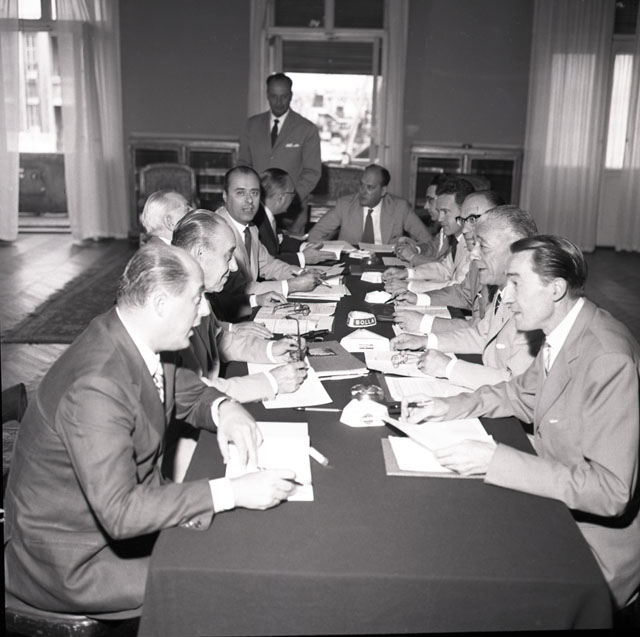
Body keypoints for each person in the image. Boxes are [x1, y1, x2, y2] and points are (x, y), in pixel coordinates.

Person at [3, 243, 298, 619]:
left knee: (240, 541)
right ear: (160, 304)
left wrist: (226, 409)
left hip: (110, 519)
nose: (203, 312)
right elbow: (120, 513)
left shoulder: (135, 334)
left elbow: (190, 393)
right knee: (229, 576)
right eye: (196, 299)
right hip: (73, 562)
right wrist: (233, 491)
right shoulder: (96, 386)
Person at [403, 235, 640, 609]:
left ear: (556, 289)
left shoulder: (607, 358)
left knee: (449, 566)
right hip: (556, 498)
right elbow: (517, 394)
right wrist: (448, 406)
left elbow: (611, 492)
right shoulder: (565, 331)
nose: (506, 296)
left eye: (516, 283)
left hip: (589, 547)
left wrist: (493, 460)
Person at [391, 206, 543, 390]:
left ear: (517, 252)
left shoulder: (534, 305)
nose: (473, 254)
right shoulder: (505, 289)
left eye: (483, 247)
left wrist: (449, 368)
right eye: (475, 244)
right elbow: (481, 335)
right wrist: (425, 341)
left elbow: (518, 385)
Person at [213, 166, 321, 320]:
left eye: (254, 193)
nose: (249, 200)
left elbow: (268, 264)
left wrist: (300, 273)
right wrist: (291, 285)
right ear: (225, 196)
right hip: (227, 318)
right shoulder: (214, 233)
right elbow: (241, 289)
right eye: (240, 193)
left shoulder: (251, 228)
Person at [394, 190, 506, 334]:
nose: (464, 229)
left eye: (472, 219)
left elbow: (483, 329)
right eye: (463, 221)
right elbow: (462, 294)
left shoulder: (511, 270)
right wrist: (417, 298)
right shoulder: (477, 257)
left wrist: (424, 323)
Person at [238, 73, 322, 235]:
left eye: (283, 97)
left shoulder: (306, 129)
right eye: (274, 96)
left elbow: (312, 172)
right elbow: (243, 164)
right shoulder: (251, 125)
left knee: (291, 249)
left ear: (291, 96)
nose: (278, 102)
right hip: (255, 207)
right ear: (267, 95)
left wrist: (290, 198)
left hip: (292, 211)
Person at [384, 177, 474, 294]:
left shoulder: (474, 243)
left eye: (446, 212)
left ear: (465, 211)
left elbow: (458, 288)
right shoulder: (457, 238)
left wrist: (409, 286)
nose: (440, 218)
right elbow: (444, 269)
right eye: (439, 211)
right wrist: (407, 273)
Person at [307, 164, 432, 246]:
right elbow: (314, 235)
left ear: (383, 191)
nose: (362, 191)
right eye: (361, 185)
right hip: (352, 261)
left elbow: (427, 241)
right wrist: (335, 251)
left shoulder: (400, 208)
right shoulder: (345, 206)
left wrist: (410, 250)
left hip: (387, 266)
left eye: (370, 187)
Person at [255, 167, 333, 266]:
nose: (294, 198)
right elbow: (263, 262)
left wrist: (305, 246)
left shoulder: (266, 215)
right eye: (292, 193)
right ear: (281, 198)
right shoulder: (256, 222)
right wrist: (302, 258)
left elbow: (280, 240)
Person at [394, 173, 448, 264]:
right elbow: (433, 247)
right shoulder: (443, 230)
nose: (426, 206)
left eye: (430, 200)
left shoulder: (460, 232)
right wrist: (416, 249)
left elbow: (444, 266)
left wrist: (412, 257)